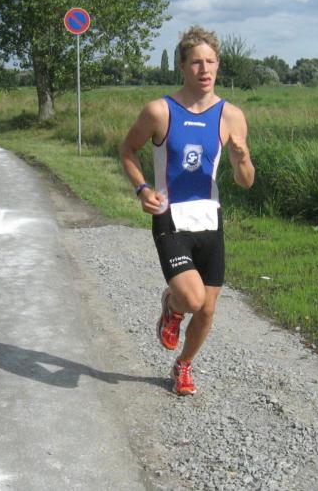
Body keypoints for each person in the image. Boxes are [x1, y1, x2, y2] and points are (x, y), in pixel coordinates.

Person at [119, 26, 255, 395]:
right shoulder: (160, 111)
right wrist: (142, 188)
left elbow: (245, 181)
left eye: (210, 61)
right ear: (182, 66)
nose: (204, 69)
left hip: (209, 217)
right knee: (192, 300)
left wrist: (242, 159)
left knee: (207, 309)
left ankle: (184, 365)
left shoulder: (231, 116)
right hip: (170, 214)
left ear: (218, 65)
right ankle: (172, 304)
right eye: (196, 62)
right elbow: (127, 151)